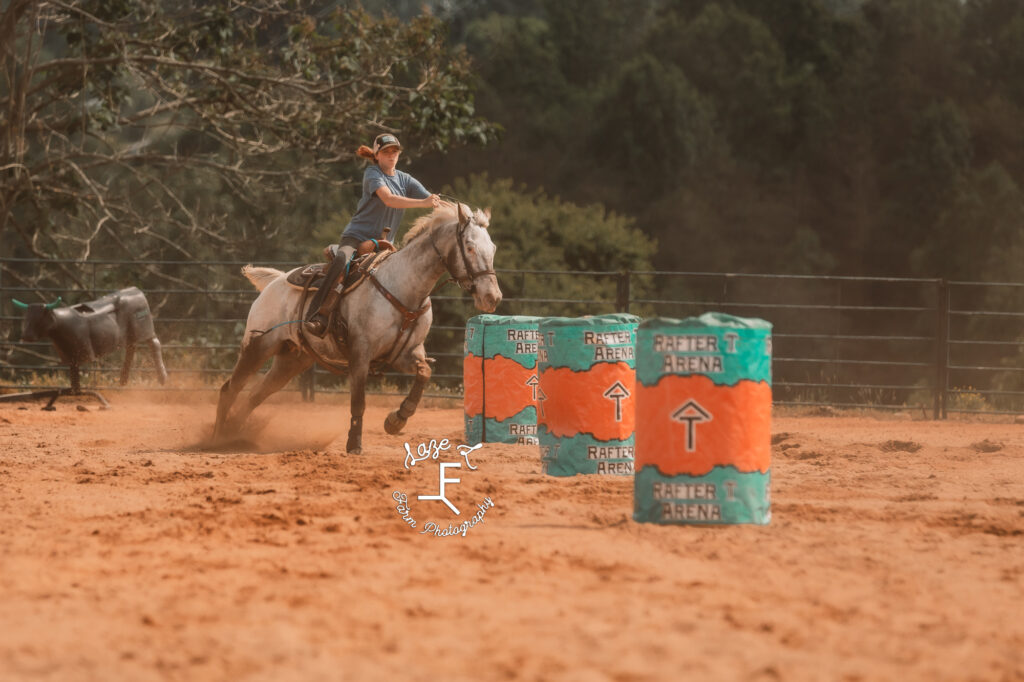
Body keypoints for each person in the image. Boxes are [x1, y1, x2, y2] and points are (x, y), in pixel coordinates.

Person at [305, 133, 441, 337]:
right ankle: (316, 315)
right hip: (356, 238)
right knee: (342, 260)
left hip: (384, 245)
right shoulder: (372, 173)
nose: (391, 155)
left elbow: (434, 201)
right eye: (386, 152)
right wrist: (423, 203)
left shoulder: (405, 179)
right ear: (377, 155)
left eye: (395, 151)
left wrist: (462, 213)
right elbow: (389, 199)